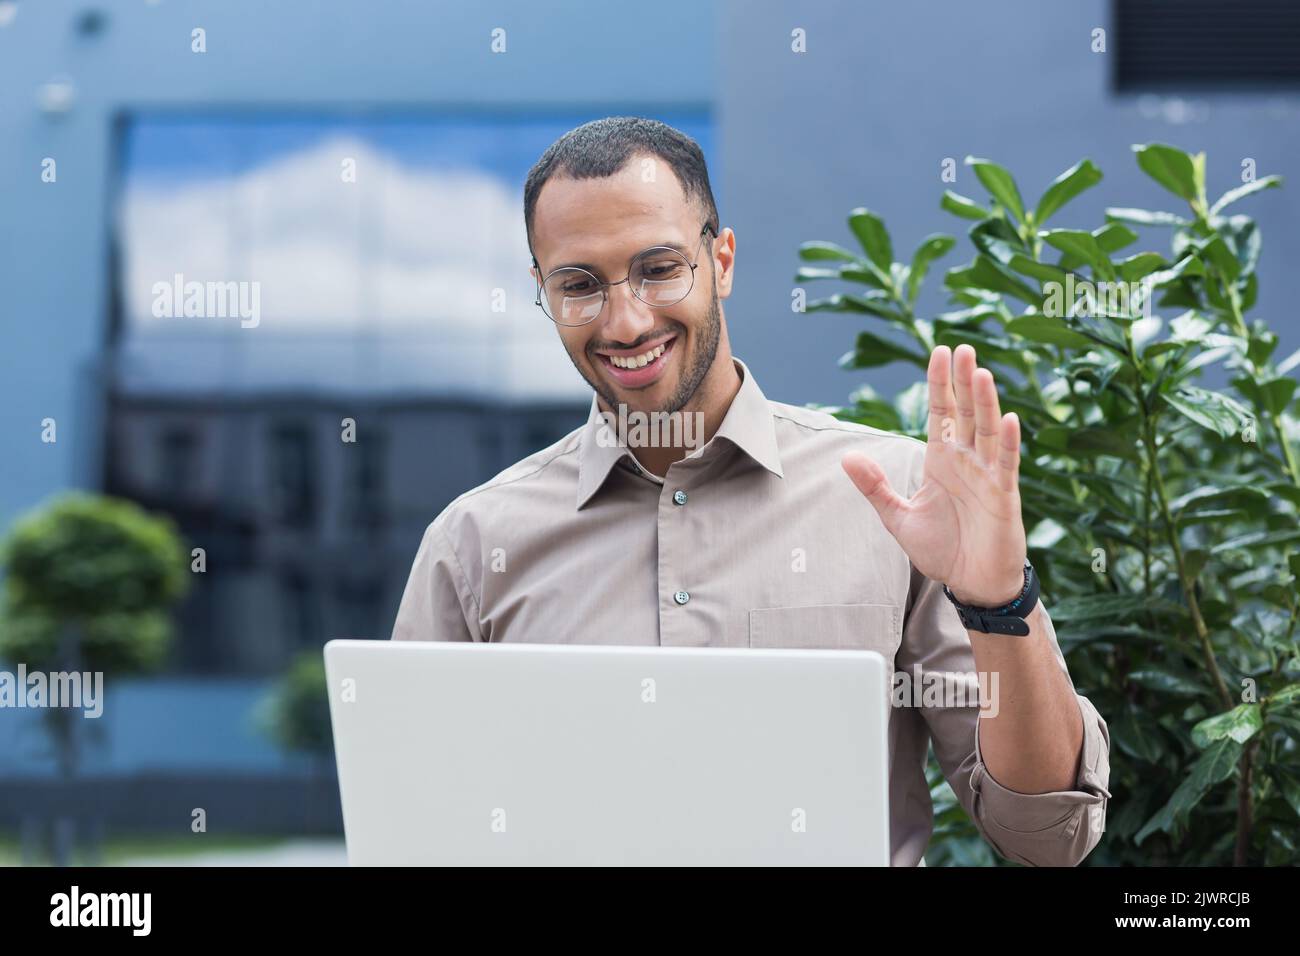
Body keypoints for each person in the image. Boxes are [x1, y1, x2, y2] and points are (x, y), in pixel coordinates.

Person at [392, 116, 1111, 867]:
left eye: (659, 268)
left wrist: (999, 600)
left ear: (722, 260)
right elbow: (416, 834)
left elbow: (1047, 838)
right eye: (579, 285)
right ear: (543, 291)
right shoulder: (474, 547)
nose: (626, 320)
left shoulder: (898, 501)